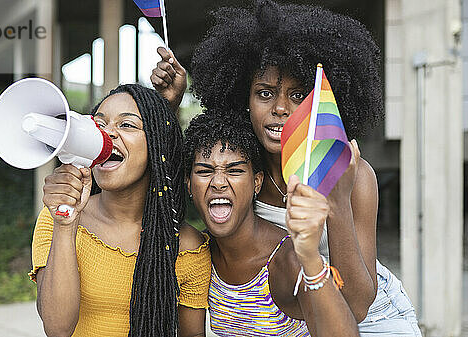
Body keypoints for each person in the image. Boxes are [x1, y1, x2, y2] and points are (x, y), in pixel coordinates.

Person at [151, 1, 421, 336]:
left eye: (297, 96)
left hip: (374, 317)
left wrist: (335, 201)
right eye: (264, 94)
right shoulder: (242, 169)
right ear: (242, 101)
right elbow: (181, 174)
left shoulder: (352, 173)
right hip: (298, 316)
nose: (280, 108)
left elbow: (359, 304)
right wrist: (171, 106)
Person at [28, 84, 210, 337]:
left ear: (158, 145)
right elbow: (57, 329)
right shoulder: (57, 216)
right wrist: (65, 225)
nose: (108, 134)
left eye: (127, 125)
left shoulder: (188, 246)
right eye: (99, 124)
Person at [183, 112, 359, 337]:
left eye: (235, 171)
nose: (218, 182)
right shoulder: (197, 253)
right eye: (204, 171)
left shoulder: (288, 260)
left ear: (257, 182)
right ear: (189, 184)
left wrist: (310, 259)